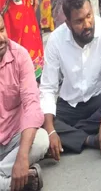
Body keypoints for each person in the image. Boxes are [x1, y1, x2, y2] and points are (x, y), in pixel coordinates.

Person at [40, 0, 101, 155]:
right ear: (68, 24)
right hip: (70, 104)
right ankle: (89, 139)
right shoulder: (55, 40)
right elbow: (48, 88)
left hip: (99, 100)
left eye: (89, 16)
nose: (87, 24)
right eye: (79, 21)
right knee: (40, 121)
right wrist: (51, 130)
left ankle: (71, 135)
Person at [0, 17, 48, 191]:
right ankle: (19, 183)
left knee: (41, 140)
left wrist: (22, 156)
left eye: (2, 30)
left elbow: (32, 107)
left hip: (15, 137)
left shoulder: (20, 55)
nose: (1, 38)